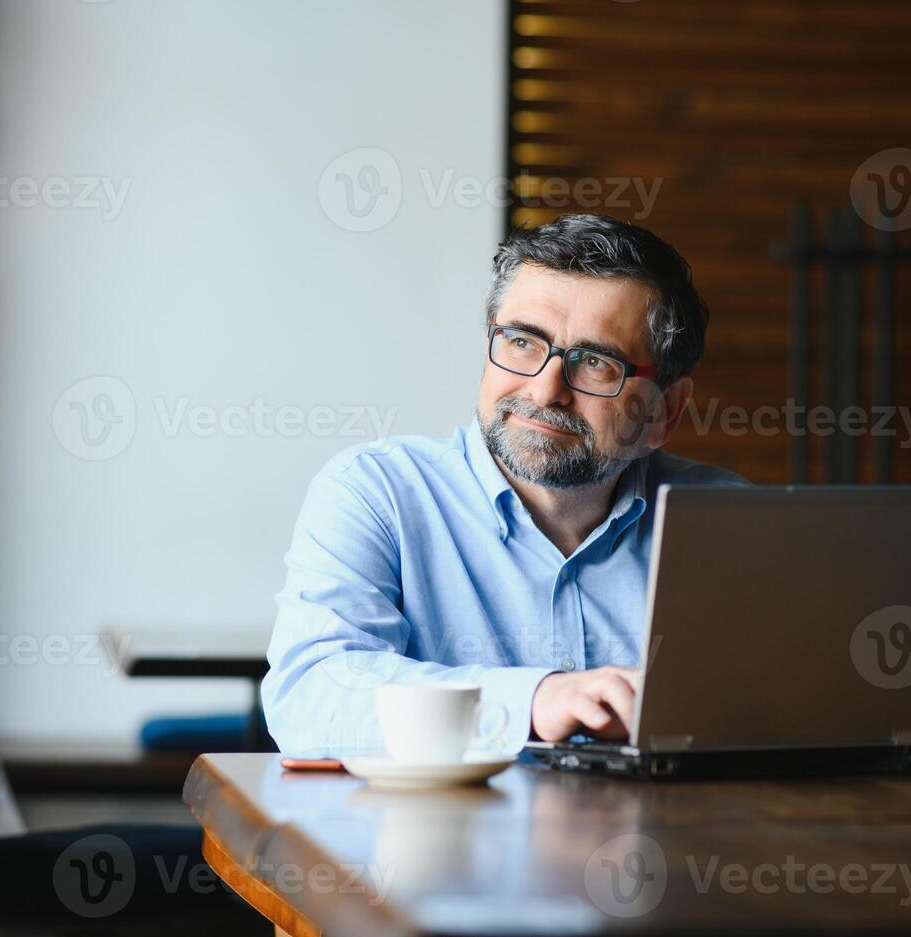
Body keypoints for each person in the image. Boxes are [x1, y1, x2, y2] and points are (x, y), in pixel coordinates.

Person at [262, 213, 745, 757]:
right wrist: (534, 702)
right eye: (522, 342)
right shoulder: (377, 493)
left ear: (666, 411)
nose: (545, 391)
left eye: (597, 364)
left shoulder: (726, 522)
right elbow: (311, 696)